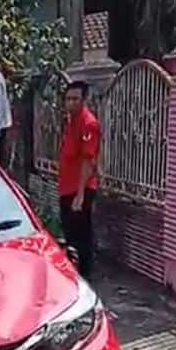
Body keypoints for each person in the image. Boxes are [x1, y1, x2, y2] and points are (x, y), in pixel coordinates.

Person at [58, 80, 102, 279]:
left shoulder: (88, 124)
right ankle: (75, 275)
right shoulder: (71, 122)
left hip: (79, 190)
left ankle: (85, 277)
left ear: (84, 100)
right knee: (70, 236)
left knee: (81, 238)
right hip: (67, 188)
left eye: (75, 99)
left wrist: (80, 195)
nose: (71, 103)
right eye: (68, 99)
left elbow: (88, 161)